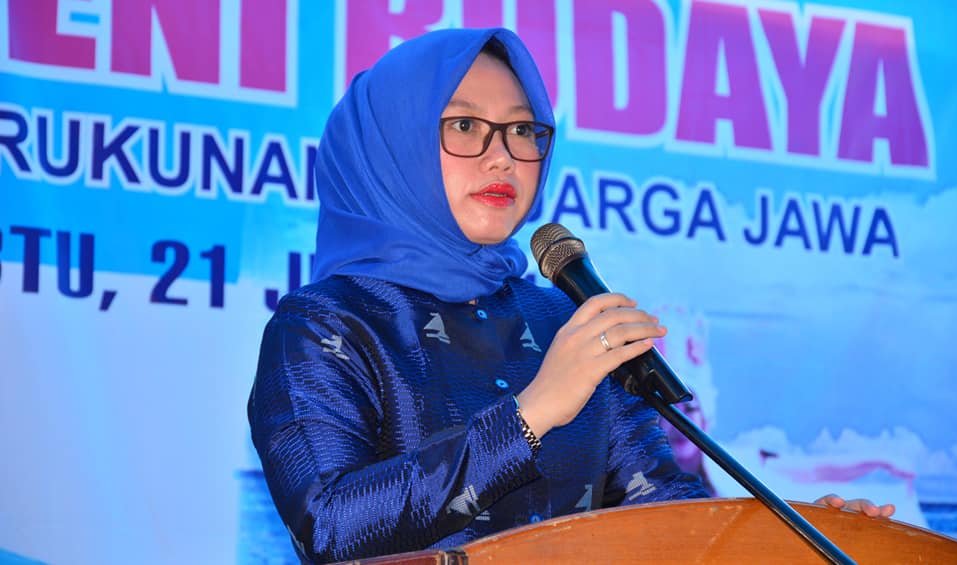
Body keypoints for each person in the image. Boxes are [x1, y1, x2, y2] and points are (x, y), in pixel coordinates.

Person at [248, 28, 892, 564]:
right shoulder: (324, 327)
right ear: (393, 144)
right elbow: (329, 525)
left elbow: (660, 515)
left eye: (524, 131)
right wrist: (529, 416)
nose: (504, 157)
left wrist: (791, 540)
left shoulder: (565, 319)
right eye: (466, 125)